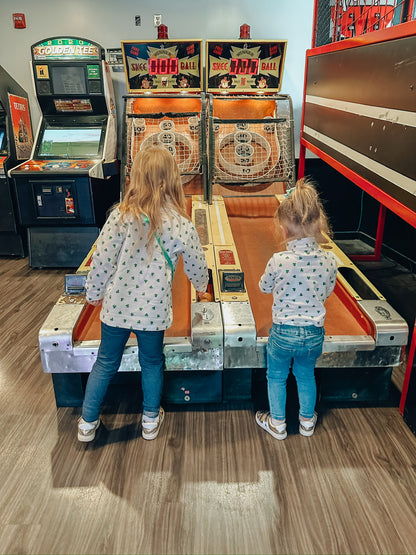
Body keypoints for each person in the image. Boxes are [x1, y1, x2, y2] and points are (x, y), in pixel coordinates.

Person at [78, 146, 209, 442]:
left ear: (136, 178)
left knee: (105, 361)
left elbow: (102, 261)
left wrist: (93, 293)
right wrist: (202, 288)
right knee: (151, 362)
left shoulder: (120, 217)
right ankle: (150, 420)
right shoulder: (181, 225)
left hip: (117, 308)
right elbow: (197, 266)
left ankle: (87, 422)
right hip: (153, 312)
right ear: (172, 180)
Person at [255, 177, 337, 440]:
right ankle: (306, 422)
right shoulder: (329, 259)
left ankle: (278, 423)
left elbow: (264, 287)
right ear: (318, 223)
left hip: (283, 333)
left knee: (276, 376)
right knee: (305, 375)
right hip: (313, 334)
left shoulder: (279, 260)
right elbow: (327, 290)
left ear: (285, 229)